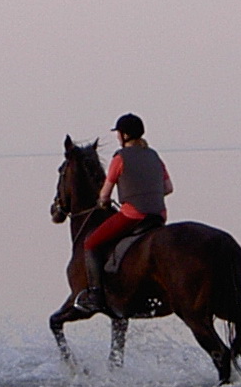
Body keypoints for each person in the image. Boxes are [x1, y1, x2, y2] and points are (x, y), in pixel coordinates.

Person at [73, 113, 173, 316]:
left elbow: (105, 193)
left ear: (125, 135)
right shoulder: (154, 155)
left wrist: (103, 202)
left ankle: (96, 295)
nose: (118, 136)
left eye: (119, 133)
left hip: (133, 215)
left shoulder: (120, 158)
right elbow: (168, 188)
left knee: (91, 243)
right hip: (158, 215)